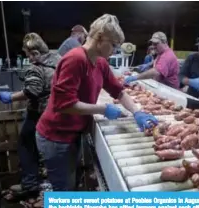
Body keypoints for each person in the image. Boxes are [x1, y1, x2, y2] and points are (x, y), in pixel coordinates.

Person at [35, 14, 158, 191]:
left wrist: (136, 111)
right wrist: (103, 108)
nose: (115, 51)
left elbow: (118, 91)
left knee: (73, 182)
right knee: (64, 188)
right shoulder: (76, 59)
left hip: (73, 133)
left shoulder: (100, 62)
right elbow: (64, 104)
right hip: (56, 136)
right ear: (100, 38)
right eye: (114, 45)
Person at [0, 33, 60, 200]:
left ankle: (30, 184)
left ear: (36, 53)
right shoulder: (57, 59)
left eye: (29, 55)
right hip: (56, 111)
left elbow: (32, 91)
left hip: (38, 112)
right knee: (52, 149)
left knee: (26, 143)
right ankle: (55, 186)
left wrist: (10, 97)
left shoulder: (35, 67)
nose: (29, 59)